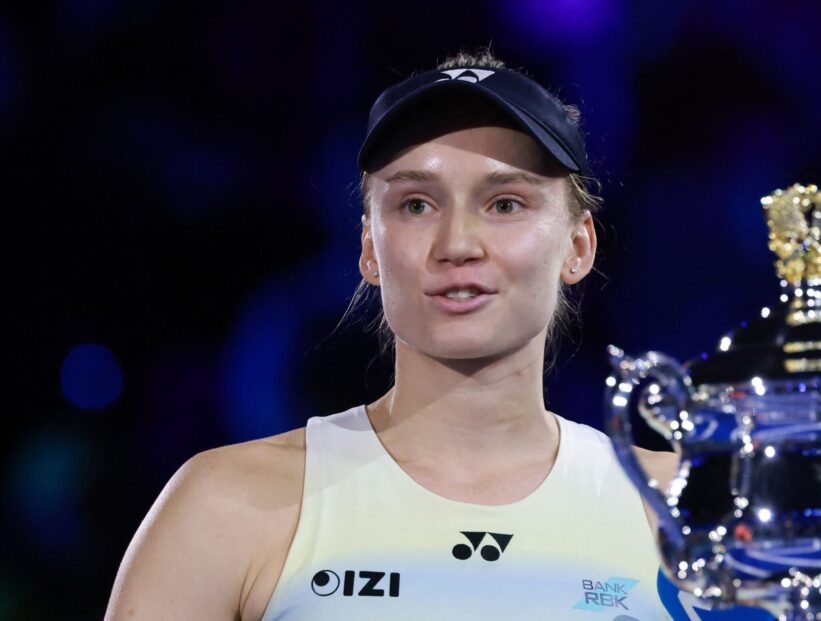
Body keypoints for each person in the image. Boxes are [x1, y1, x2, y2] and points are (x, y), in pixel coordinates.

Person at [104, 50, 678, 621]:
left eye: (505, 203)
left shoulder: (680, 508)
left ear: (579, 245)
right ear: (370, 249)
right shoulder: (226, 506)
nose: (457, 244)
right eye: (416, 205)